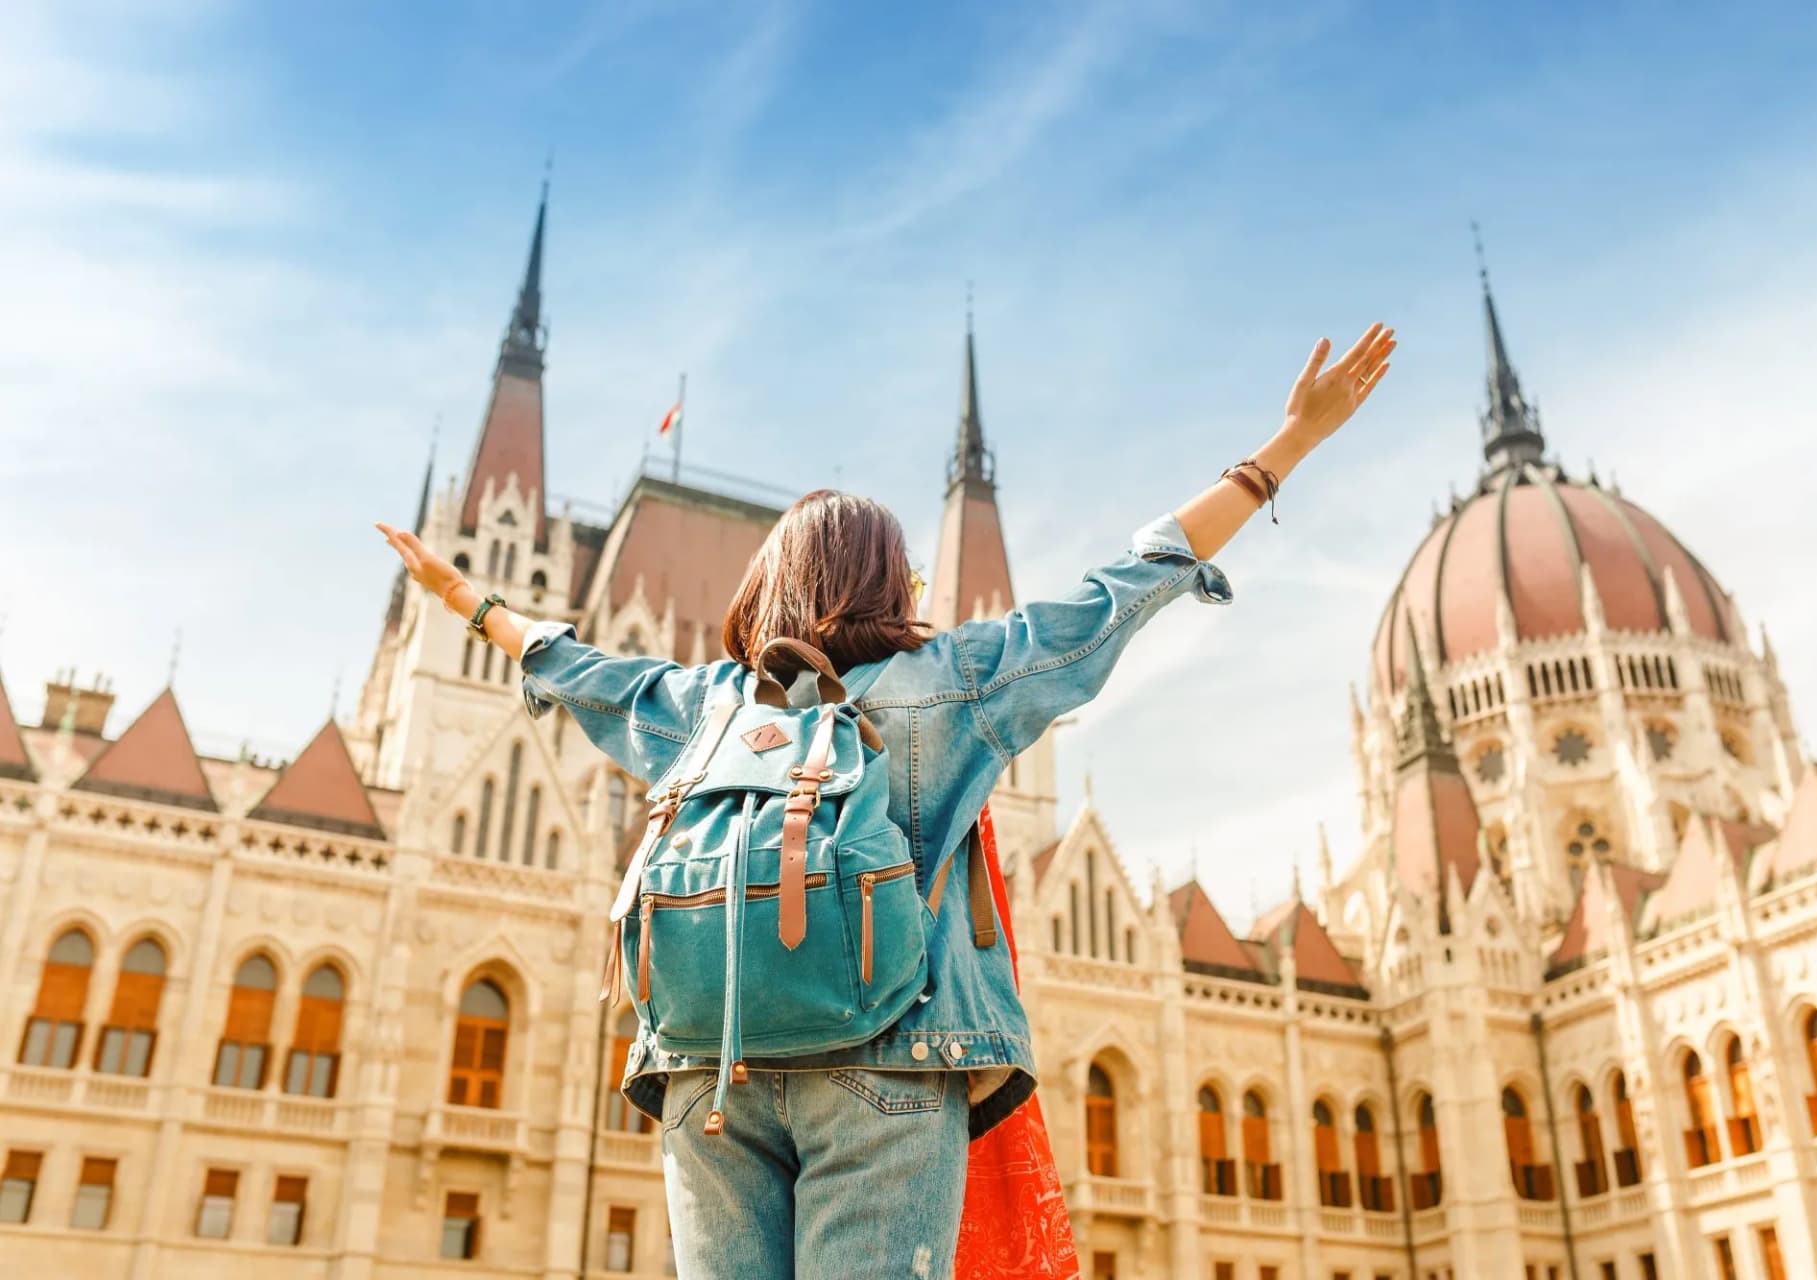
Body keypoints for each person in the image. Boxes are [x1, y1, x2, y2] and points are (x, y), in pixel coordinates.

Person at [378, 323, 1395, 1279]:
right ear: (892, 584)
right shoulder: (955, 681)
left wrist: (469, 599)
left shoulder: (705, 704)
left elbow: (574, 664)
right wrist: (1285, 447)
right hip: (888, 1062)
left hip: (703, 1066)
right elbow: (1129, 584)